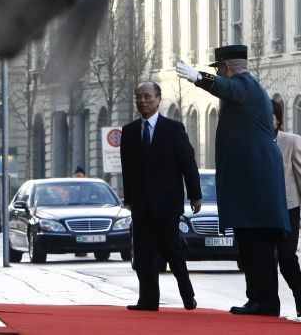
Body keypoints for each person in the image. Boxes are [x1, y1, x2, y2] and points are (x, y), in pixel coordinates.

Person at [177, 45, 289, 316]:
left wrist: (198, 77)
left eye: (219, 69)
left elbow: (227, 89)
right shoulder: (246, 88)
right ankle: (259, 300)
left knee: (258, 247)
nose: (220, 74)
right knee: (250, 246)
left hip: (255, 185)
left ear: (226, 67)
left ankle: (265, 302)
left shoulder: (245, 85)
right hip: (250, 184)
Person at [121, 81, 202, 311]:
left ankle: (187, 294)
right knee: (143, 254)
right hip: (141, 203)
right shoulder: (129, 132)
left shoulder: (173, 128)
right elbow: (128, 169)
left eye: (147, 96)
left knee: (171, 249)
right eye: (138, 97)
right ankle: (147, 300)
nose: (142, 101)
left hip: (167, 202)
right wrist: (129, 199)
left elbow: (188, 163)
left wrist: (195, 195)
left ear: (158, 99)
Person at [271, 99, 301, 317]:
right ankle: (268, 304)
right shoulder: (253, 142)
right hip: (262, 210)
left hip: (288, 209)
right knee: (263, 259)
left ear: (278, 119)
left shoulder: (291, 141)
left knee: (287, 258)